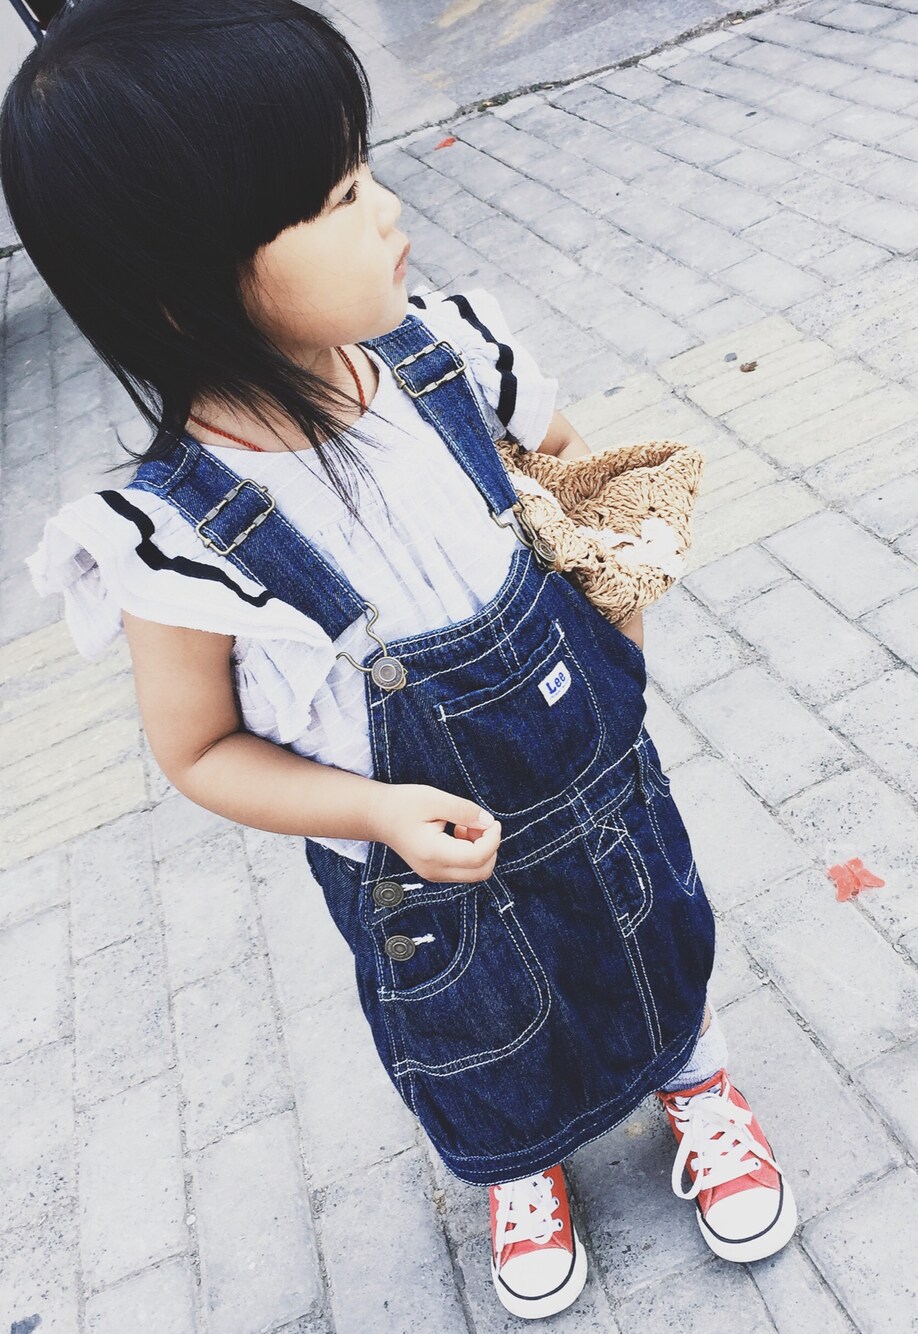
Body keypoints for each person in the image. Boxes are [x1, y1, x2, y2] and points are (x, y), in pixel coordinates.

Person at [2, 0, 797, 1318]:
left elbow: (583, 483)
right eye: (336, 199)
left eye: (365, 171)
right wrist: (371, 814)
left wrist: (616, 631)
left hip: (598, 784)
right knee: (474, 1029)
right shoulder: (174, 541)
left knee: (651, 931)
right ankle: (520, 1162)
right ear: (187, 288)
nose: (388, 213)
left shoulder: (450, 354)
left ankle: (696, 1084)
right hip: (419, 876)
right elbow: (198, 749)